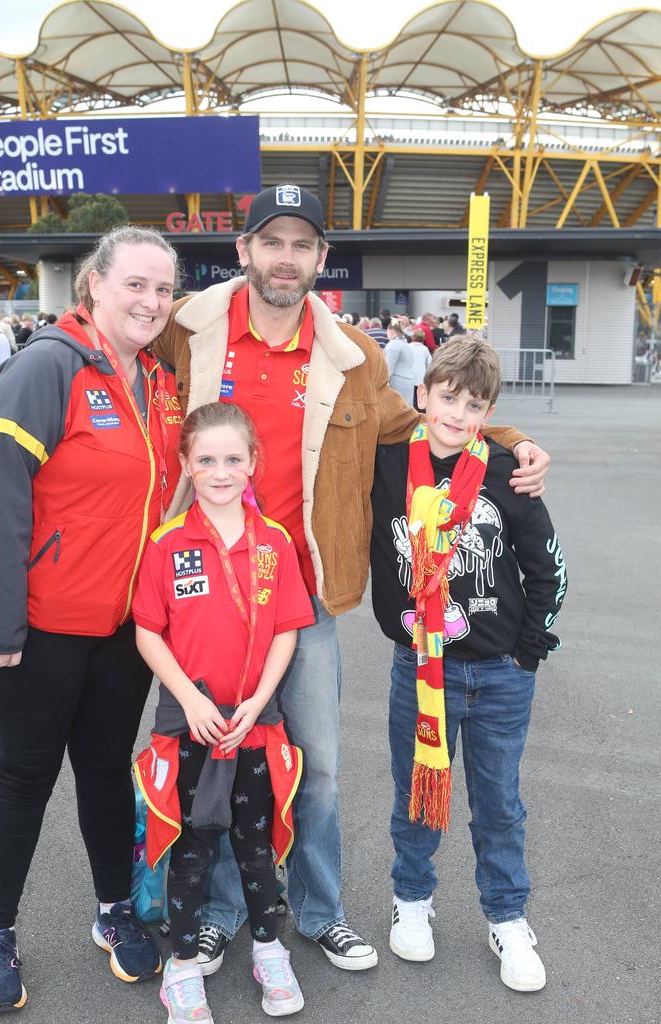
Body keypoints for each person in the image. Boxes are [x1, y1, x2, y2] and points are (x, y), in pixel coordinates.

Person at [153, 183, 551, 974]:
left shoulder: (353, 357)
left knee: (320, 769)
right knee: (216, 759)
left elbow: (421, 425)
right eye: (272, 242)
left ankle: (320, 911)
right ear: (244, 251)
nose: (286, 258)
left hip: (304, 600)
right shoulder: (187, 331)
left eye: (303, 245)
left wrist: (509, 438)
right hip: (204, 591)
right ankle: (222, 913)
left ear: (321, 261)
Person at [0, 225, 184, 1014]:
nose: (151, 301)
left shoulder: (158, 384)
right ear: (95, 284)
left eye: (163, 289)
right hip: (40, 629)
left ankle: (113, 909)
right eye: (136, 284)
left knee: (102, 772)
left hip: (124, 633)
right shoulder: (48, 365)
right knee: (24, 777)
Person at [370, 336, 567, 993]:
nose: (457, 413)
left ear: (487, 412)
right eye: (447, 397)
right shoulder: (387, 462)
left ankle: (508, 915)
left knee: (500, 801)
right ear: (421, 395)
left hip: (501, 672)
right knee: (416, 793)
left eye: (474, 404)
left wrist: (528, 649)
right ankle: (413, 897)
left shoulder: (507, 468)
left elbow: (546, 567)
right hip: (419, 667)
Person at [133, 402, 315, 1022]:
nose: (219, 471)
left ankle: (270, 951)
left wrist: (260, 704)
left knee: (257, 847)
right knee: (191, 850)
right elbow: (148, 632)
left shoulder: (276, 542)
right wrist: (190, 698)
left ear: (253, 464)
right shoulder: (166, 542)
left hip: (253, 728)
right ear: (186, 464)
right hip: (191, 726)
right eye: (205, 460)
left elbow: (288, 629)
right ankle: (182, 966)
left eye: (232, 459)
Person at [384, 318, 415, 401]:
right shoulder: (405, 343)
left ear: (391, 331)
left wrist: (383, 383)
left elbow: (388, 367)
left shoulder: (393, 345)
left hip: (397, 382)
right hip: (408, 380)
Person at [409, 328, 432, 410]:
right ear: (423, 338)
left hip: (409, 377)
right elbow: (430, 364)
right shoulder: (425, 349)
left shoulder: (407, 347)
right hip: (421, 378)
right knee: (419, 399)